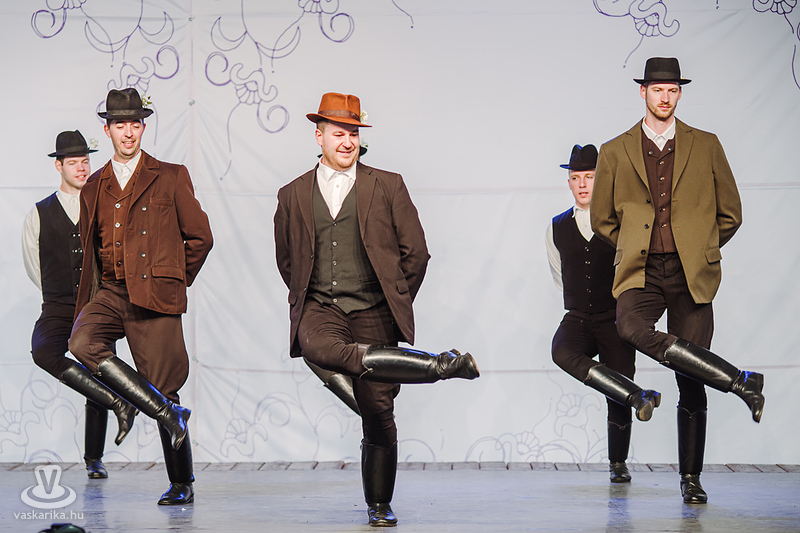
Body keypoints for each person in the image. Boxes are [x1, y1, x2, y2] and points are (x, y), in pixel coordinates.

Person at [274, 92, 479, 527]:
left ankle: (379, 505)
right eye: (338, 133)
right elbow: (287, 260)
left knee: (378, 413)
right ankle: (437, 366)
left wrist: (393, 300)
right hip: (321, 306)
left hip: (374, 309)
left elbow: (416, 254)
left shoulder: (387, 185)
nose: (347, 141)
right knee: (317, 347)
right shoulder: (291, 194)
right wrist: (310, 297)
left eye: (353, 133)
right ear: (319, 136)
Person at [590, 57, 765, 503]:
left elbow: (731, 213)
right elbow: (602, 220)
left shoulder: (706, 144)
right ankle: (739, 379)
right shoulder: (614, 150)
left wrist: (700, 247)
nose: (664, 97)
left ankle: (690, 478)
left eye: (672, 90)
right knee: (630, 326)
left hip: (692, 272)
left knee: (690, 379)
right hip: (641, 270)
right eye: (657, 89)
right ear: (643, 92)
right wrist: (634, 243)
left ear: (680, 93)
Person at [68, 88, 213, 505]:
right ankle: (155, 410)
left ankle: (182, 483)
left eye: (135, 124)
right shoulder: (93, 186)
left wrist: (171, 281)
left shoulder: (170, 175)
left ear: (143, 127)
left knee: (166, 386)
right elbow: (91, 246)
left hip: (155, 294)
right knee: (82, 342)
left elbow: (200, 238)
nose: (128, 132)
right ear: (108, 130)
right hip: (111, 292)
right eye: (120, 125)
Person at [22, 130, 137, 479]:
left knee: (98, 367)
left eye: (85, 161)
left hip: (96, 304)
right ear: (59, 166)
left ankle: (94, 458)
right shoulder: (39, 213)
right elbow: (33, 264)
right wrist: (58, 292)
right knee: (44, 351)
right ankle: (119, 402)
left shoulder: (102, 205)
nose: (82, 168)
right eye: (73, 162)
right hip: (57, 304)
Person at [546, 143, 661, 483]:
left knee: (618, 387)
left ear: (602, 180)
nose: (582, 184)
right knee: (561, 350)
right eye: (576, 177)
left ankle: (618, 464)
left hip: (614, 315)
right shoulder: (556, 226)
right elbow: (559, 273)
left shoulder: (619, 223)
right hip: (579, 315)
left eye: (590, 177)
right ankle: (638, 394)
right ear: (569, 182)